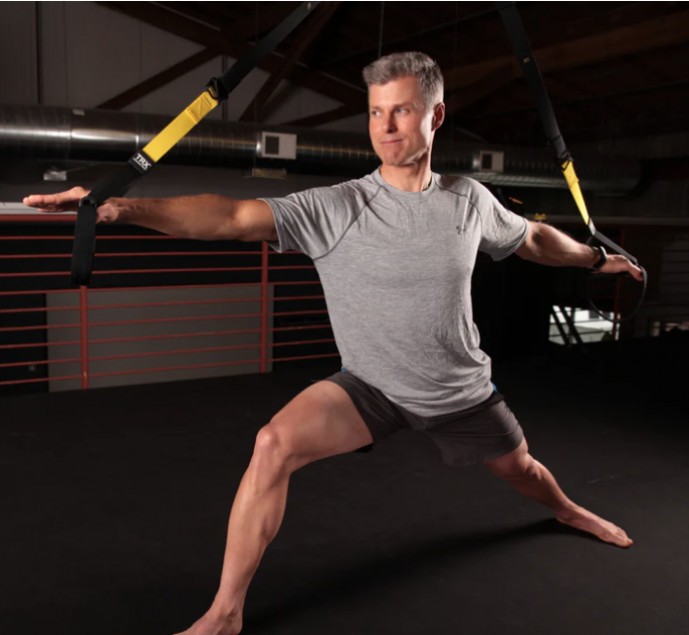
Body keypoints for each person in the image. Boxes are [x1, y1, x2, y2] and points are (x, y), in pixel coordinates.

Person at [24, 52, 644, 635]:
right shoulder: (340, 206)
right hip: (371, 386)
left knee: (524, 470)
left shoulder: (468, 199)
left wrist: (595, 259)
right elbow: (232, 218)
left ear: (436, 116)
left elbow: (532, 239)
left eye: (401, 110)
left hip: (458, 391)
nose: (386, 126)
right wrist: (119, 208)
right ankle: (225, 613)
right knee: (272, 444)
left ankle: (566, 509)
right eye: (376, 112)